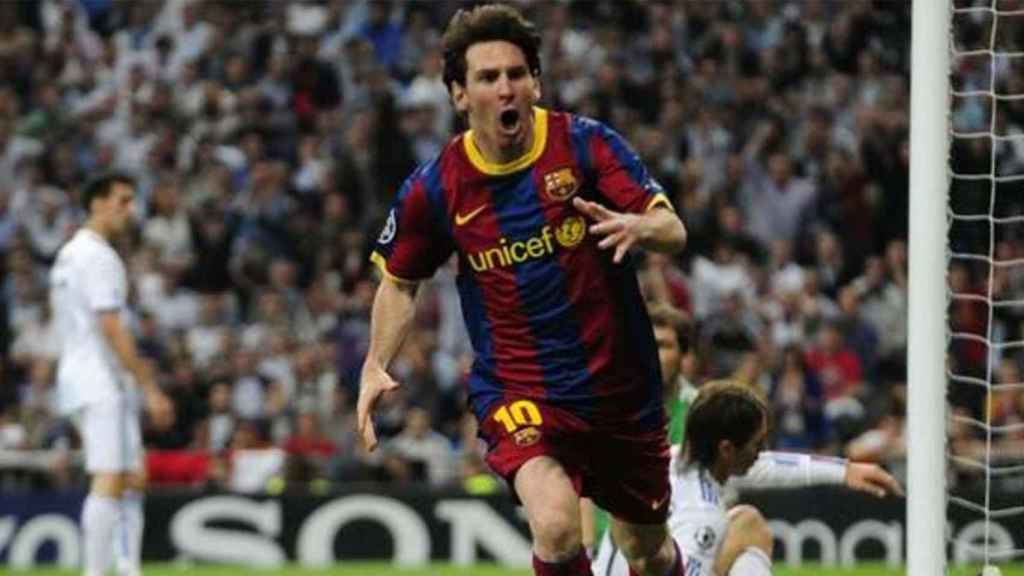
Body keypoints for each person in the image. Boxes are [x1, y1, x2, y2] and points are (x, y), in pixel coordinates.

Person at [356, 4, 688, 576]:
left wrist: (641, 227)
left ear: (535, 81)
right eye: (487, 78)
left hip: (620, 389)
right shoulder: (435, 188)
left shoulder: (586, 147)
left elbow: (673, 229)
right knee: (557, 527)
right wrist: (374, 362)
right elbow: (400, 283)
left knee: (647, 552)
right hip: (521, 386)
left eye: (516, 74)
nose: (505, 88)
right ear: (460, 95)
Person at [591, 381, 902, 576]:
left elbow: (765, 466)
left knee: (747, 522)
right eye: (757, 444)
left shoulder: (671, 460)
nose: (761, 452)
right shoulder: (704, 515)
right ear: (727, 449)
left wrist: (843, 471)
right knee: (748, 526)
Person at [50, 172, 173, 576]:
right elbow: (111, 327)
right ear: (96, 203)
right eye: (122, 200)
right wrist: (150, 386)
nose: (130, 209)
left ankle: (128, 566)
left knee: (132, 475)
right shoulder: (99, 256)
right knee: (110, 477)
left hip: (79, 375)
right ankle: (97, 571)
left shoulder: (69, 254)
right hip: (101, 379)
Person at [582, 303, 697, 555]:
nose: (652, 354)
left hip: (680, 543)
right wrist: (587, 548)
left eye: (663, 346)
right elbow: (581, 484)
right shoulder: (607, 406)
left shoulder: (701, 412)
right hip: (610, 548)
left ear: (684, 355)